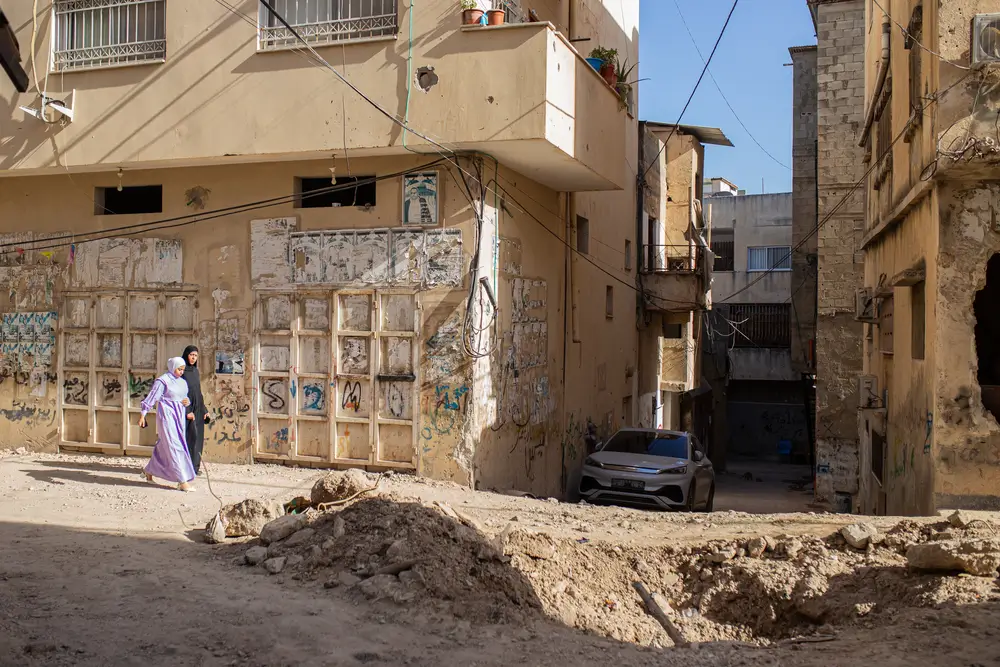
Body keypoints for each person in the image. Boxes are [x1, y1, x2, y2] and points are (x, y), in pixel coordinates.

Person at [138, 357, 196, 492]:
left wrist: (187, 402)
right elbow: (152, 397)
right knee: (174, 445)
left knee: (164, 446)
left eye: (183, 369)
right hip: (167, 417)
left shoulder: (182, 382)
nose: (181, 372)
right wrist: (143, 415)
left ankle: (149, 471)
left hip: (179, 417)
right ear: (172, 367)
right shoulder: (163, 381)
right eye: (179, 369)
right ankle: (182, 481)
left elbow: (184, 397)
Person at [181, 345, 210, 476]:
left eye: (196, 355)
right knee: (189, 438)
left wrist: (205, 410)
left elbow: (198, 392)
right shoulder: (181, 372)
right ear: (186, 355)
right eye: (191, 355)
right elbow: (180, 393)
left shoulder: (195, 371)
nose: (193, 358)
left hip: (198, 408)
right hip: (188, 409)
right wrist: (187, 411)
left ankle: (195, 467)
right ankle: (185, 468)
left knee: (198, 438)